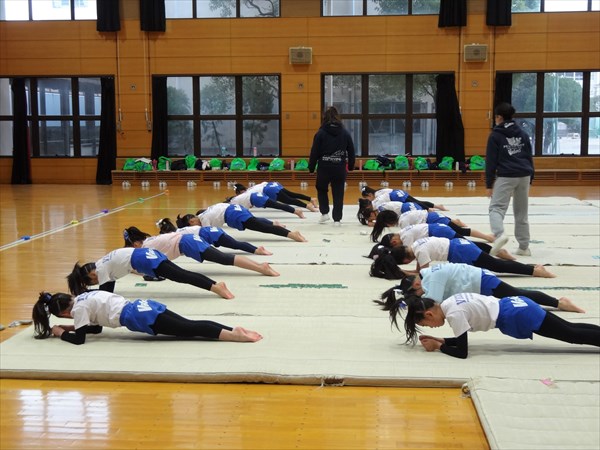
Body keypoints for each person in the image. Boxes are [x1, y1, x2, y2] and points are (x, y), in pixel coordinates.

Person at [390, 292, 599, 359]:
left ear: (428, 314)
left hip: (517, 314)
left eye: (427, 323)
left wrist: (438, 347)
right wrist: (443, 340)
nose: (432, 327)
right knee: (570, 329)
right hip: (515, 303)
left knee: (572, 335)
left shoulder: (454, 315)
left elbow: (463, 352)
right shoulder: (450, 301)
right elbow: (461, 339)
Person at [32, 290, 262, 345]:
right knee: (188, 324)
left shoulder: (78, 311)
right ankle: (232, 329)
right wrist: (70, 326)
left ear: (62, 311)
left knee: (190, 329)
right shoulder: (84, 297)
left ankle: (234, 336)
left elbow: (81, 339)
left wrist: (62, 333)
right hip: (142, 305)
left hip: (136, 316)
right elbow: (97, 329)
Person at [376, 262, 584, 314]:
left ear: (417, 284)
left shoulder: (433, 279)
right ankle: (556, 302)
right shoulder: (427, 276)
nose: (420, 294)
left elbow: (433, 303)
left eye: (417, 292)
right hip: (477, 281)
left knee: (519, 295)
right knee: (516, 297)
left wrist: (405, 305)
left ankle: (559, 302)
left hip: (482, 281)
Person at [66, 247, 234, 300]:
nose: (95, 283)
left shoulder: (101, 270)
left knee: (182, 276)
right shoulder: (102, 263)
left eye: (91, 282)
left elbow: (105, 294)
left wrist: (83, 296)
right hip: (146, 255)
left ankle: (215, 287)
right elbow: (109, 287)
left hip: (143, 260)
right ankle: (215, 285)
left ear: (92, 275)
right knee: (181, 274)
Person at [369, 236, 556, 279]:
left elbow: (425, 274)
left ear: (405, 258)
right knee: (494, 264)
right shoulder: (416, 245)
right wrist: (402, 272)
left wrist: (401, 274)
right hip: (459, 246)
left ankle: (534, 270)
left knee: (497, 267)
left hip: (461, 252)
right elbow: (419, 271)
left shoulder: (420, 252)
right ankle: (532, 266)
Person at [123, 227, 280, 277]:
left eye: (131, 247)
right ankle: (260, 266)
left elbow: (145, 271)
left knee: (224, 259)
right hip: (188, 240)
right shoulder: (150, 242)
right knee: (223, 258)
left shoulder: (145, 248)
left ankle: (261, 267)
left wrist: (130, 270)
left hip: (187, 243)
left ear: (136, 243)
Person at [486, 102, 535, 256]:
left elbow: (491, 161)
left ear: (499, 117)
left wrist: (489, 183)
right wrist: (531, 176)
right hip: (524, 175)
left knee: (496, 208)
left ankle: (499, 235)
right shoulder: (523, 132)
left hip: (507, 175)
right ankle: (524, 247)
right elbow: (528, 155)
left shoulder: (495, 135)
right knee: (521, 212)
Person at [309, 106, 356, 226]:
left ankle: (324, 213)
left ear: (324, 117)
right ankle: (337, 219)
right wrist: (350, 166)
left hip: (324, 167)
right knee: (338, 192)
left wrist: (311, 167)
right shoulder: (345, 133)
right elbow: (351, 151)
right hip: (339, 167)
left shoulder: (320, 133)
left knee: (321, 189)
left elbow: (314, 151)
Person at [175, 203, 307, 242]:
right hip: (235, 209)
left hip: (233, 214)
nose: (194, 227)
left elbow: (208, 234)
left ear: (192, 220)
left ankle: (291, 234)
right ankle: (274, 224)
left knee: (261, 227)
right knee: (256, 222)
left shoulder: (203, 219)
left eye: (191, 226)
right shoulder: (205, 212)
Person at [369, 208, 498, 247]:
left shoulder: (403, 224)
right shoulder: (402, 217)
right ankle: (455, 222)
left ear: (389, 223)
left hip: (433, 220)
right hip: (431, 217)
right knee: (459, 231)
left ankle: (487, 237)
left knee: (460, 232)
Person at [379, 223, 512, 259]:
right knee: (465, 239)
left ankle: (497, 251)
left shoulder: (405, 237)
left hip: (438, 231)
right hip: (437, 228)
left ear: (393, 238)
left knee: (467, 243)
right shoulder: (403, 232)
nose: (397, 245)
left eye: (394, 243)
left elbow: (407, 253)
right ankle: (491, 243)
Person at [156, 217, 273, 256]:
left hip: (209, 234)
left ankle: (257, 250)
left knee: (235, 244)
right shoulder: (181, 230)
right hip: (210, 231)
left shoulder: (176, 234)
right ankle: (256, 249)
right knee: (234, 243)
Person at [234, 182, 318, 212]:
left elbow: (250, 204)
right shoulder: (251, 188)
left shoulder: (248, 193)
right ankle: (311, 199)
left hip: (270, 190)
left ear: (241, 192)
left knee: (289, 200)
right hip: (273, 185)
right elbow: (264, 182)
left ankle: (308, 206)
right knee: (292, 194)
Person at [226, 189, 306, 219]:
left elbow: (244, 209)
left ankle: (296, 211)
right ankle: (296, 211)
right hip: (257, 195)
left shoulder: (232, 203)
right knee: (277, 205)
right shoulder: (237, 198)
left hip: (256, 199)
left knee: (277, 205)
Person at [360, 186, 447, 211]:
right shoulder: (379, 190)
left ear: (370, 194)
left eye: (367, 198)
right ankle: (437, 206)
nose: (369, 200)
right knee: (416, 201)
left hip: (397, 196)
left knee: (415, 203)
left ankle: (428, 209)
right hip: (399, 193)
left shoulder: (378, 196)